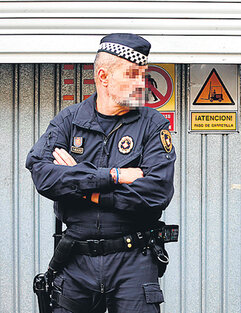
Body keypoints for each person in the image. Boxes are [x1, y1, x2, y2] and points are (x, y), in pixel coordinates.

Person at [26, 33, 176, 313]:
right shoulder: (68, 121)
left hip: (134, 260)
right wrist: (116, 176)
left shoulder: (153, 125)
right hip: (75, 261)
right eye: (133, 75)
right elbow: (43, 175)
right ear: (104, 77)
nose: (142, 84)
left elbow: (157, 192)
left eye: (144, 75)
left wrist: (86, 190)